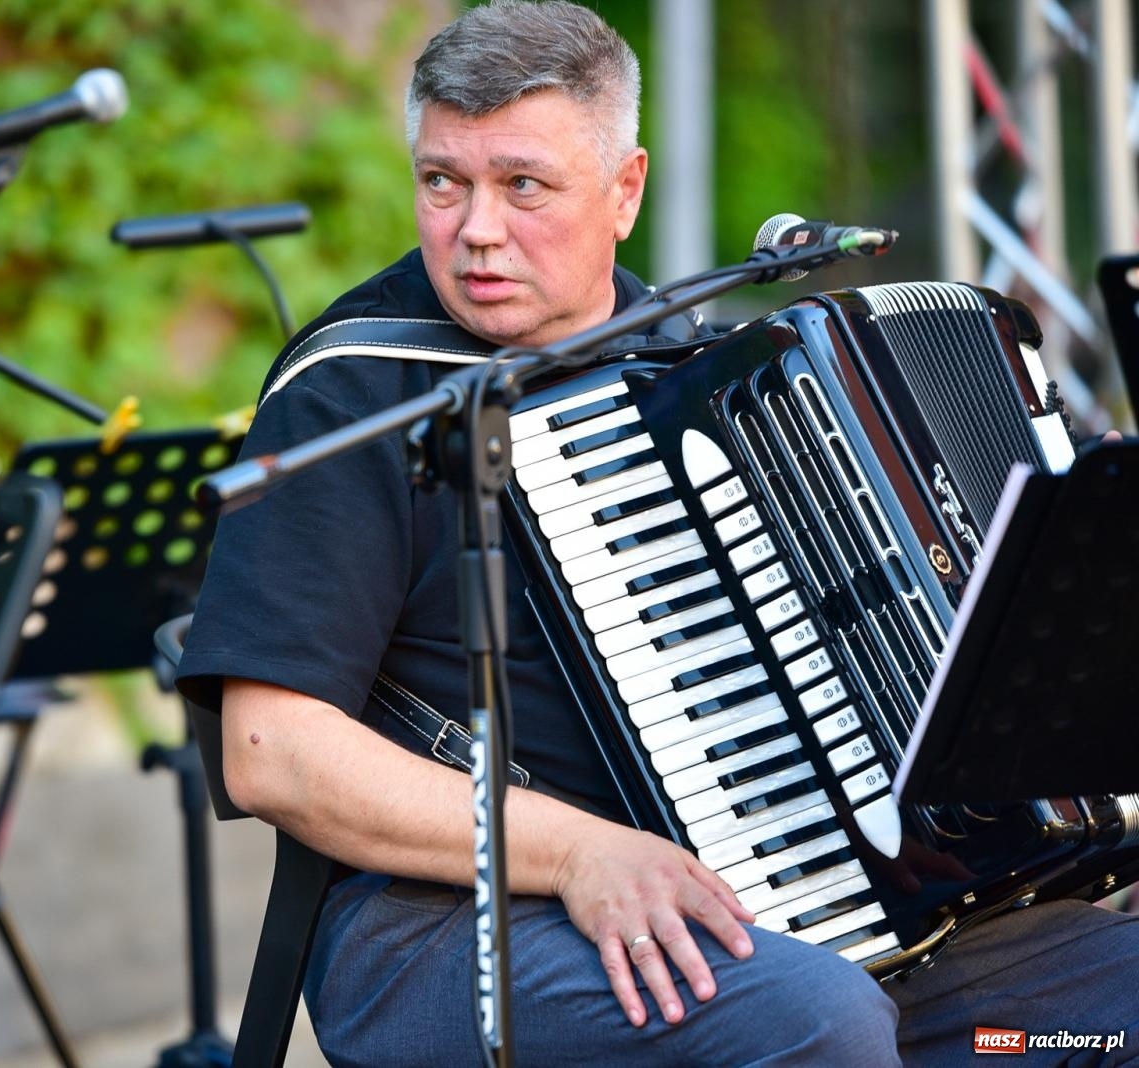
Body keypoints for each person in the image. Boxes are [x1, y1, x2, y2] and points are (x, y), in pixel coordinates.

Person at [176, 2, 1139, 1064]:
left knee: (1112, 997)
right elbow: (272, 754)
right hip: (449, 920)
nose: (476, 228)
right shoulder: (358, 390)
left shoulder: (691, 378)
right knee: (814, 1021)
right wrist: (581, 852)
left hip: (793, 898)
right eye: (442, 182)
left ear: (624, 191)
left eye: (523, 185)